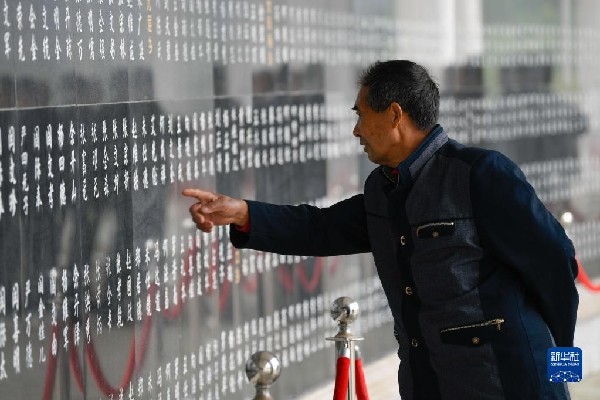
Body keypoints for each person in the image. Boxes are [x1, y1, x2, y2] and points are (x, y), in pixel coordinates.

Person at [183, 60, 579, 400]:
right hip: (431, 384)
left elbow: (555, 264)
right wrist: (242, 213)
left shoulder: (480, 175)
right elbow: (320, 228)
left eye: (360, 114)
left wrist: (562, 370)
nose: (356, 130)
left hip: (508, 381)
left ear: (393, 115)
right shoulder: (383, 190)